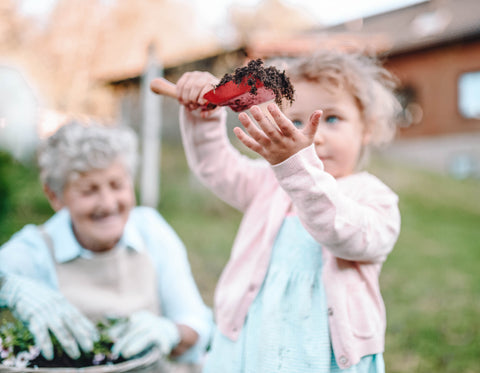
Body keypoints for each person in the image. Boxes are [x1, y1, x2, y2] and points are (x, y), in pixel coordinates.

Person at [171, 49, 402, 372]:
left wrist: (295, 167)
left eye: (331, 119)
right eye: (293, 122)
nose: (312, 136)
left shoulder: (373, 197)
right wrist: (204, 113)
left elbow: (342, 232)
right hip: (252, 342)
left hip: (322, 353)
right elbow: (216, 168)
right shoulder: (270, 181)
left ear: (367, 128)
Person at [0, 121, 212, 368]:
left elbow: (197, 324)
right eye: (89, 191)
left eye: (116, 185)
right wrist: (8, 287)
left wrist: (172, 332)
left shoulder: (150, 231)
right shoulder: (36, 249)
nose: (108, 203)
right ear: (55, 196)